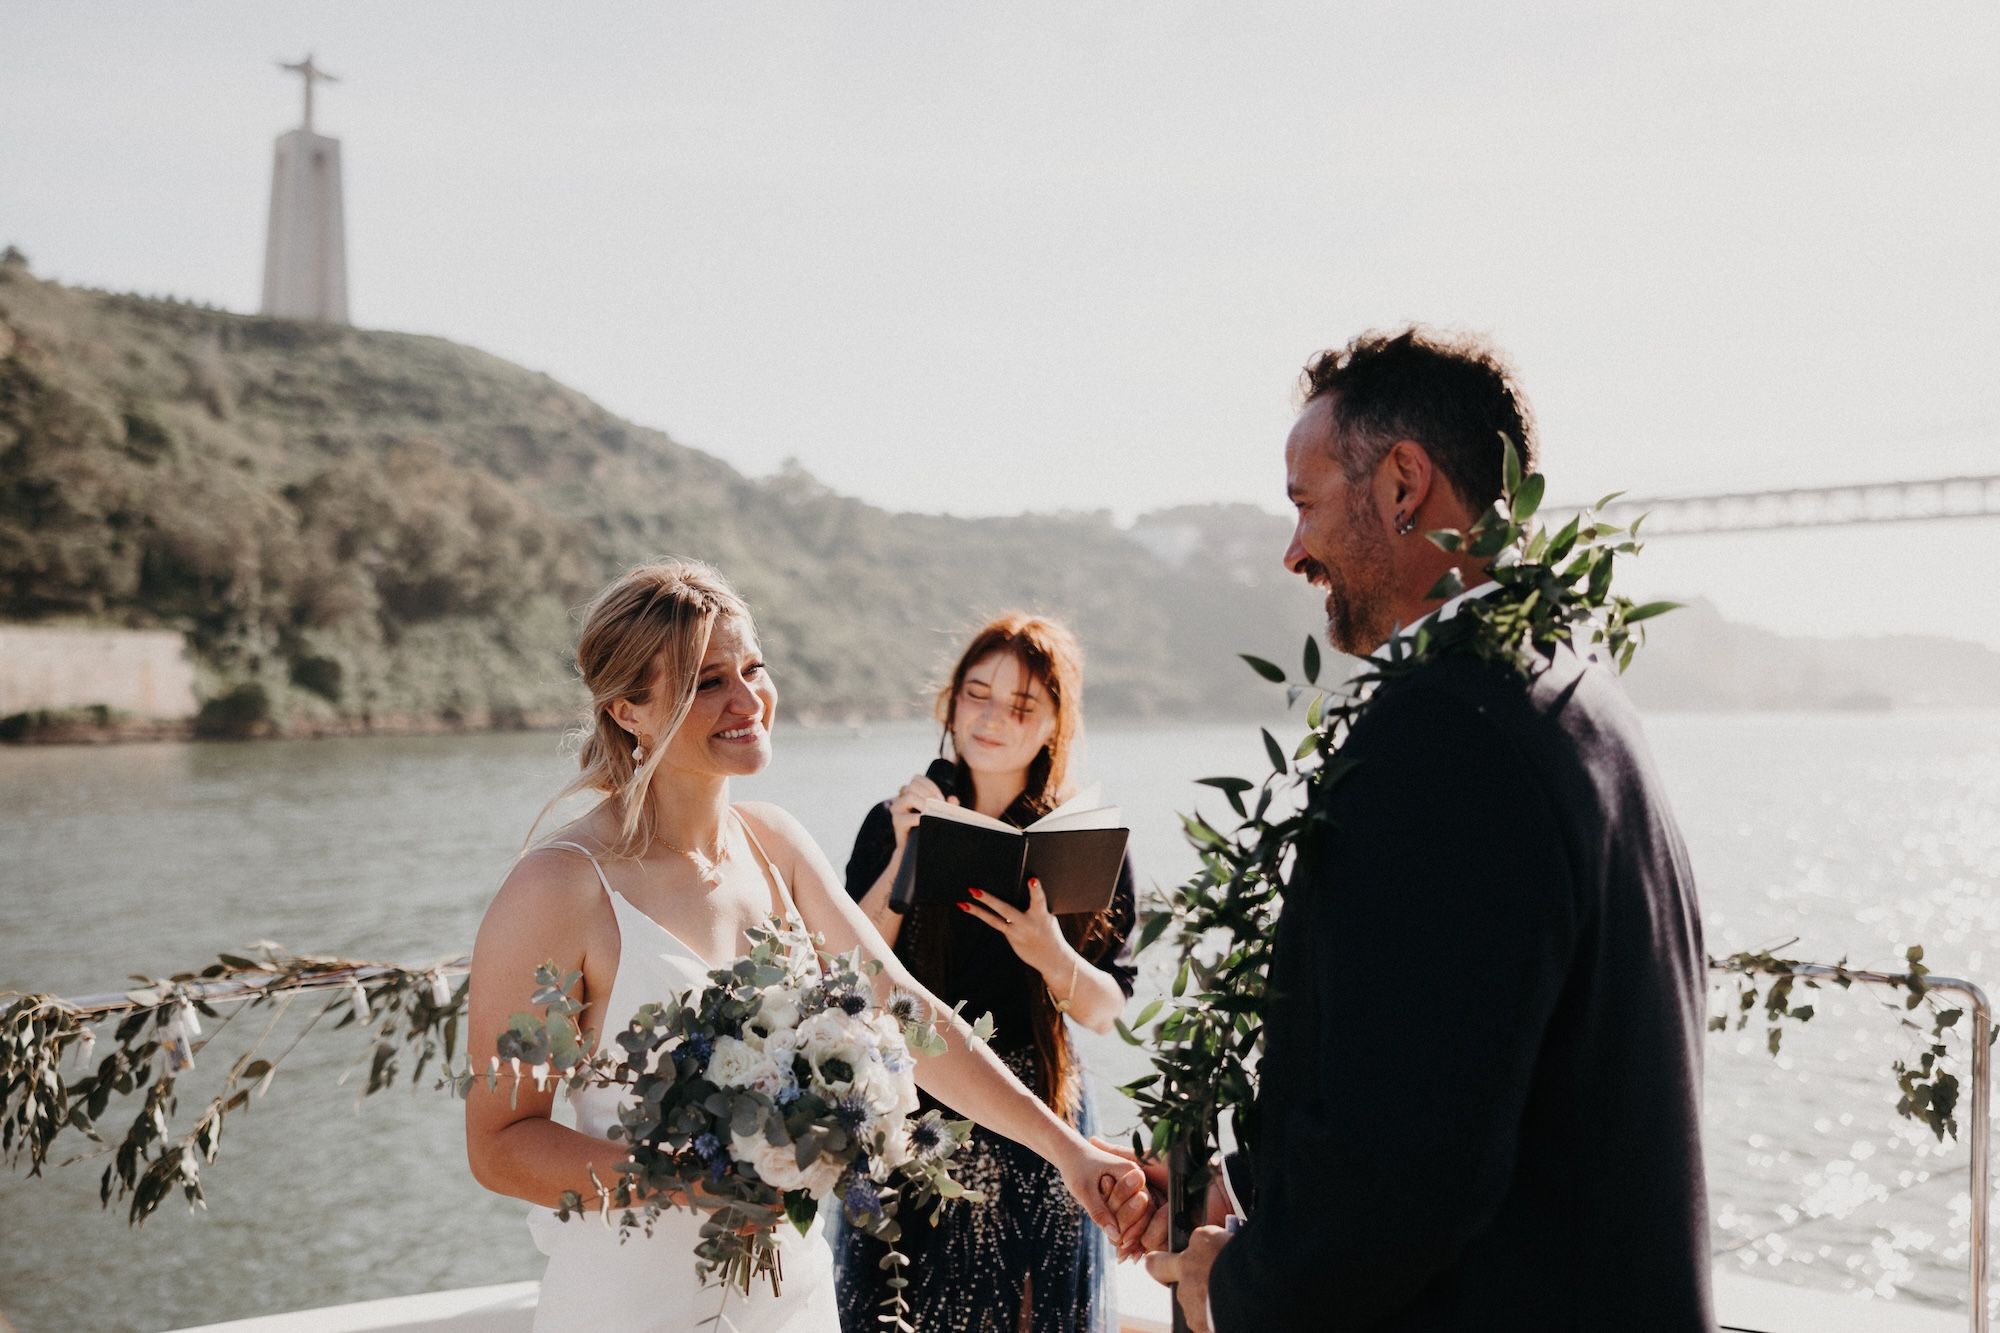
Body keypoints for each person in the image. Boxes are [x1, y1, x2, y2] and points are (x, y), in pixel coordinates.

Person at [1140, 330, 1714, 1331]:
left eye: (1303, 503)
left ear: (1402, 483)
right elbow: (1464, 1064)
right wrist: (1246, 1179)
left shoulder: (1446, 737)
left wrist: (1230, 1291)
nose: (1292, 553)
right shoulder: (1575, 700)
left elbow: (1405, 1169)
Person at [463, 562, 1149, 1333]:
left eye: (752, 667)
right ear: (628, 709)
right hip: (634, 1301)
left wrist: (1068, 1151)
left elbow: (909, 1016)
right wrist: (701, 1183)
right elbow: (500, 1144)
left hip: (793, 1296)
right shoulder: (559, 886)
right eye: (706, 680)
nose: (748, 700)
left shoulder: (776, 842)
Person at [836, 613, 1137, 1333]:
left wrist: (1051, 952)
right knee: (900, 1307)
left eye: (1021, 705)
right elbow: (846, 971)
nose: (993, 717)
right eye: (977, 694)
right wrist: (908, 848)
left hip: (1042, 1117)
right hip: (912, 1107)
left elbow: (1104, 1009)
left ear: (1053, 725)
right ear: (950, 703)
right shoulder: (894, 819)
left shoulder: (1082, 841)